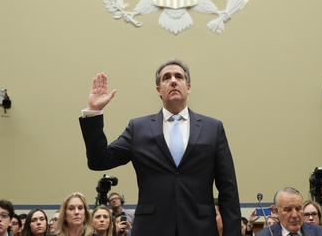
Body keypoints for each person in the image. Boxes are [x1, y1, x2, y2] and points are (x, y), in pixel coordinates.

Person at [79, 60, 241, 236]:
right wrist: (94, 112)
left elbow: (228, 188)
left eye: (178, 76)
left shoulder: (213, 128)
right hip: (152, 227)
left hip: (200, 227)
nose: (173, 80)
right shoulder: (138, 128)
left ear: (188, 86)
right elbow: (99, 160)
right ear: (158, 90)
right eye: (166, 78)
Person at [256, 187, 322, 236]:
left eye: (298, 209)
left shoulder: (319, 232)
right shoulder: (264, 235)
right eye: (288, 210)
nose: (295, 215)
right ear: (276, 211)